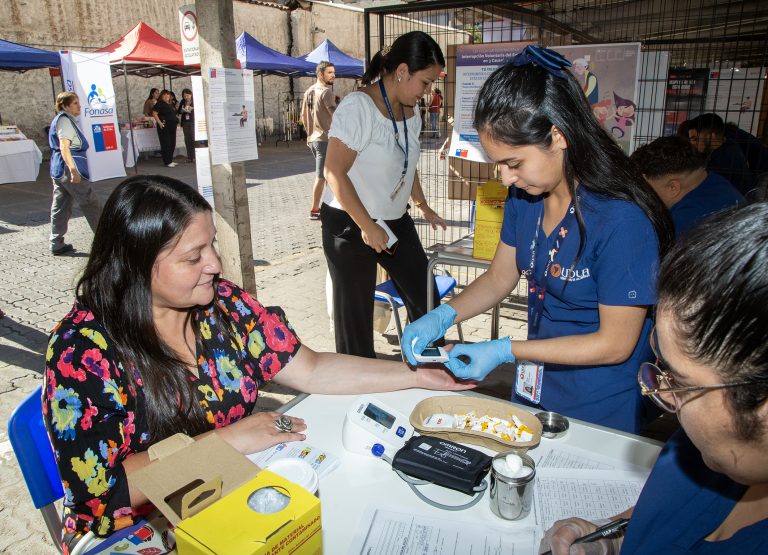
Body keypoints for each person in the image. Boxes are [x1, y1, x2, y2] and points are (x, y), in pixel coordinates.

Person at [42, 175, 472, 552]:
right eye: (193, 257)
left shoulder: (222, 304)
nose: (214, 263)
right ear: (135, 267)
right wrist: (228, 441)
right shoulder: (82, 353)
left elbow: (312, 369)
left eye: (211, 243)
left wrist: (413, 374)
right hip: (136, 533)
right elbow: (102, 493)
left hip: (227, 495)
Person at [402, 45, 674, 434]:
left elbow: (616, 343)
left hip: (596, 398)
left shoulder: (620, 220)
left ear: (558, 137)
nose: (505, 178)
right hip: (535, 383)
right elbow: (499, 278)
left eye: (514, 163)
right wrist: (441, 315)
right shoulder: (526, 197)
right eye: (499, 164)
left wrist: (504, 350)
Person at [539, 203, 768, 555]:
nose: (659, 392)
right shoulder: (697, 448)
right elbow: (666, 518)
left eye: (677, 379)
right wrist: (607, 538)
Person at [322, 31, 447, 358]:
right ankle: (357, 391)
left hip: (393, 220)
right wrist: (367, 226)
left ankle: (427, 366)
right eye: (426, 82)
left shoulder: (412, 110)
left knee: (427, 299)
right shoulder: (358, 108)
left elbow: (408, 160)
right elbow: (334, 172)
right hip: (350, 224)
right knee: (356, 322)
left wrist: (422, 204)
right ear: (402, 71)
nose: (428, 92)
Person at [631, 136, 744, 237]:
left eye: (646, 190)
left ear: (673, 188)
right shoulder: (716, 183)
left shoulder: (684, 223)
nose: (642, 197)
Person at [48, 92, 102, 255]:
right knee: (91, 203)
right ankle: (106, 241)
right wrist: (73, 170)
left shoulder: (63, 120)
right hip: (69, 167)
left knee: (61, 206)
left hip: (58, 168)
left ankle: (56, 243)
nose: (79, 106)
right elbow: (65, 147)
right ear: (65, 106)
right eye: (75, 103)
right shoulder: (64, 121)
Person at [301, 61, 336, 220]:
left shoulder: (308, 91)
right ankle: (315, 210)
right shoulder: (326, 92)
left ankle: (332, 206)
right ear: (320, 74)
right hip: (324, 139)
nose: (333, 75)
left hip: (314, 139)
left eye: (333, 72)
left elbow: (302, 116)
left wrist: (309, 135)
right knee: (322, 176)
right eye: (329, 72)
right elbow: (335, 115)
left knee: (330, 174)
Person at [688, 113, 755, 195]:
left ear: (711, 136)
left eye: (695, 139)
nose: (691, 143)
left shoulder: (721, 160)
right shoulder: (729, 145)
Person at [152, 90, 178, 168]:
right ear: (161, 96)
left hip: (172, 126)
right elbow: (154, 113)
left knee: (172, 143)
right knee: (166, 143)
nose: (167, 96)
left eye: (168, 95)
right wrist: (160, 123)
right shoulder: (159, 104)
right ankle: (167, 161)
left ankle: (170, 159)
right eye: (164, 95)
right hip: (164, 126)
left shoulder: (170, 104)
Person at [177, 88, 195, 163]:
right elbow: (178, 111)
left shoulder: (195, 100)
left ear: (190, 94)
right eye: (184, 96)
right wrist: (183, 110)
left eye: (187, 95)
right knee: (187, 140)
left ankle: (195, 157)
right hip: (185, 122)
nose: (186, 97)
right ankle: (189, 157)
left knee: (193, 139)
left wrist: (192, 108)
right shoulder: (182, 101)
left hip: (193, 121)